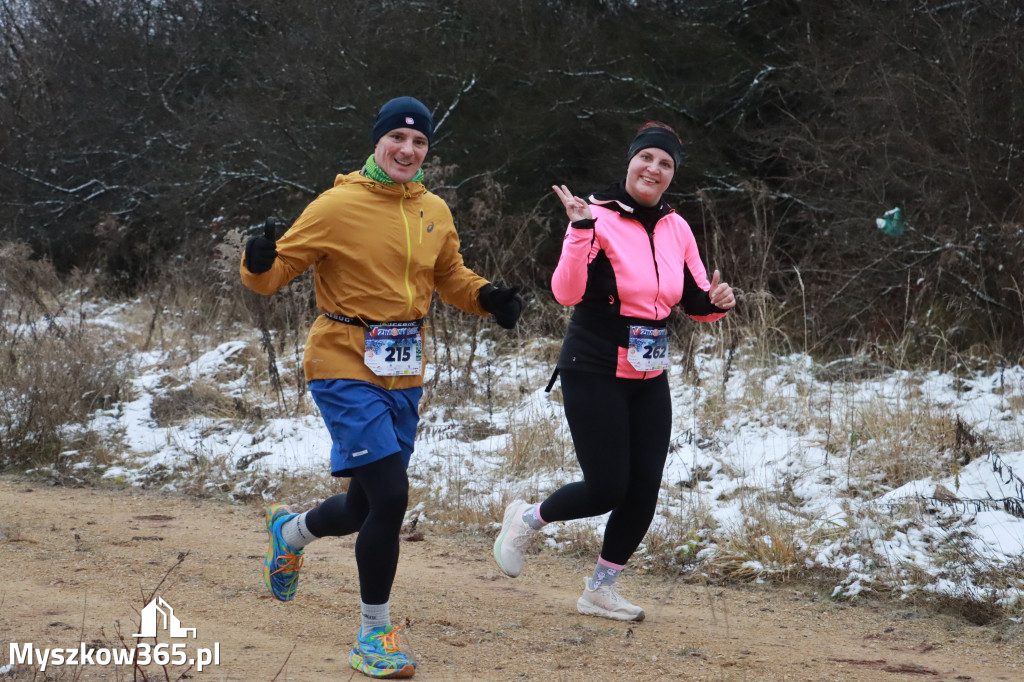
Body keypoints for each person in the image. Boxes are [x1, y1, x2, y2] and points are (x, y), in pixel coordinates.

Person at [241, 96, 524, 679]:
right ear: (377, 142)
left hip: (404, 368)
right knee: (392, 496)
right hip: (342, 360)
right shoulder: (336, 205)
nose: (408, 150)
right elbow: (273, 276)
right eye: (398, 138)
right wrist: (257, 258)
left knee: (365, 504)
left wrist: (487, 297)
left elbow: (449, 276)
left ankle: (289, 531)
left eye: (419, 143)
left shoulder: (434, 210)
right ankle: (374, 635)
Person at [493, 121, 735, 622]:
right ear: (630, 162)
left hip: (649, 373)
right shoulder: (593, 215)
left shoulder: (677, 227)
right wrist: (580, 230)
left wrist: (717, 303)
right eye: (647, 158)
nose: (654, 169)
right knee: (606, 487)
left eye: (665, 164)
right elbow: (566, 292)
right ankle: (526, 519)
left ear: (672, 175)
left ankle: (601, 589)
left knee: (644, 487)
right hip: (594, 364)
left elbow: (692, 300)